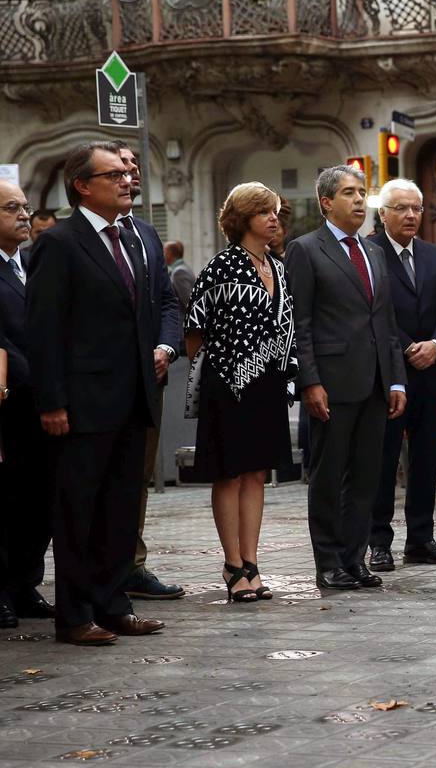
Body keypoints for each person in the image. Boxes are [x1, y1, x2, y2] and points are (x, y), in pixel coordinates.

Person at [26, 142, 165, 645]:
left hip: (131, 400)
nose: (127, 181)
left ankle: (113, 604)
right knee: (78, 513)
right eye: (113, 176)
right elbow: (43, 330)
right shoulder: (59, 244)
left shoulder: (130, 240)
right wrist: (52, 401)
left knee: (120, 510)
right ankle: (75, 614)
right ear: (83, 186)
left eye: (126, 176)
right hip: (82, 406)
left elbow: (144, 315)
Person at [285, 164, 407, 591]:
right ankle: (329, 562)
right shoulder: (305, 250)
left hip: (375, 382)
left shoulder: (373, 250)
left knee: (367, 476)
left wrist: (395, 380)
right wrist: (310, 381)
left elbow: (387, 323)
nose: (360, 200)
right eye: (350, 193)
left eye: (362, 193)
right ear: (326, 202)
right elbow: (299, 323)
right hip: (331, 384)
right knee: (329, 475)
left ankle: (355, 559)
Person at [185, 183, 295, 602]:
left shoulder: (279, 267)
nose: (274, 218)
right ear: (242, 217)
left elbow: (288, 328)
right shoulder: (221, 267)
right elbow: (194, 331)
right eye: (264, 211)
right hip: (227, 385)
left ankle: (252, 562)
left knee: (256, 473)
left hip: (268, 383)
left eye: (276, 211)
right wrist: (223, 373)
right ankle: (232, 564)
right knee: (229, 473)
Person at [367, 179, 436, 572]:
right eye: (401, 208)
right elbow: (375, 310)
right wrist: (409, 347)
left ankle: (421, 539)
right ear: (383, 213)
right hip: (391, 373)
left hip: (431, 371)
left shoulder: (434, 255)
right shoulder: (369, 253)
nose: (410, 215)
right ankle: (379, 542)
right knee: (384, 461)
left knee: (425, 462)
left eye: (416, 209)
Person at [116, 144, 186, 602]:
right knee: (102, 479)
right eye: (122, 168)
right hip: (100, 383)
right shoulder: (69, 239)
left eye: (135, 167)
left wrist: (166, 346)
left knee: (138, 476)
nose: (132, 174)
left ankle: (132, 565)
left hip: (149, 379)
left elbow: (166, 301)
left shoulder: (143, 232)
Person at [0, 180, 55, 626]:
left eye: (25, 206)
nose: (23, 215)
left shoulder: (34, 263)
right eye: (11, 208)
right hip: (10, 404)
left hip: (44, 404)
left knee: (40, 500)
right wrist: (39, 380)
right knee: (7, 500)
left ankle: (24, 583)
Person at [164, 240, 196, 317]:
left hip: (181, 323)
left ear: (170, 254)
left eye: (164, 251)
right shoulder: (181, 269)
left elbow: (188, 301)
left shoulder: (179, 272)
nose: (162, 255)